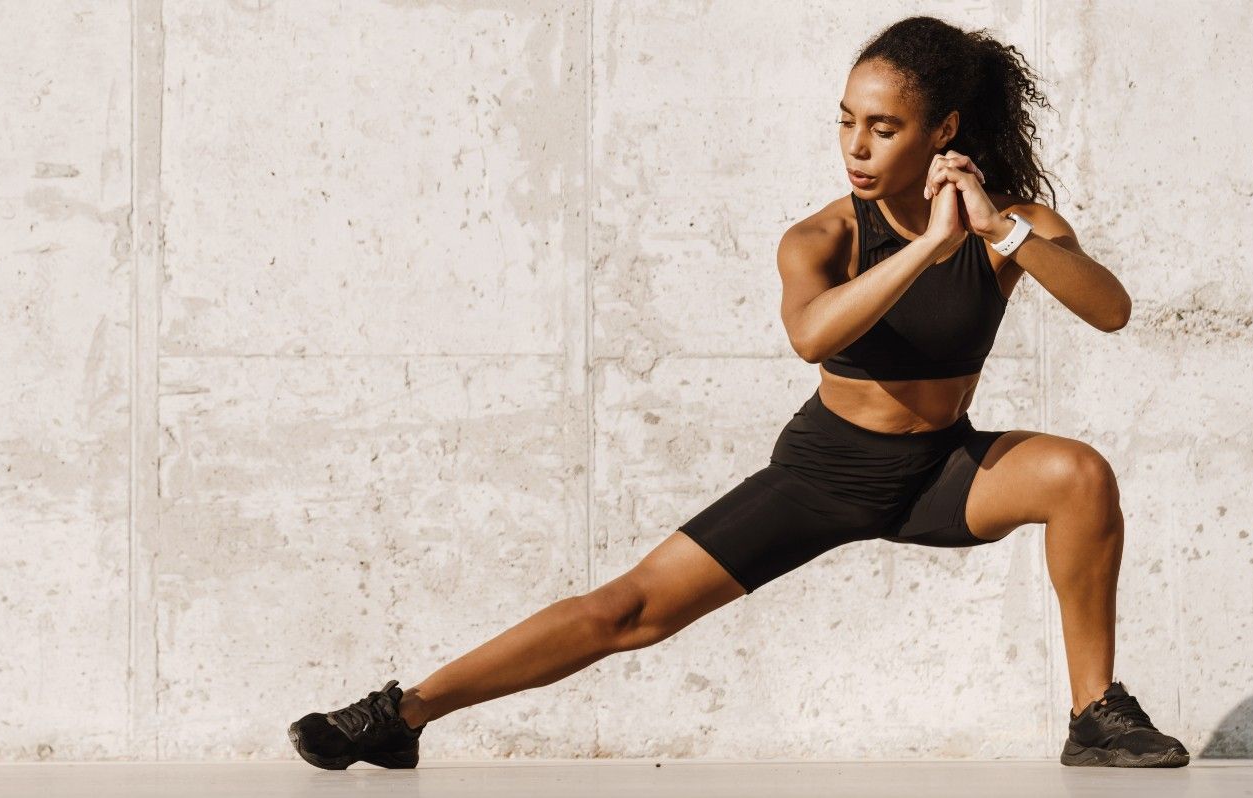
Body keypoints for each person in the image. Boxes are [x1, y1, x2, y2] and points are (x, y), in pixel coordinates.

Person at [289, 15, 1189, 770]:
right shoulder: (821, 235)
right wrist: (925, 247)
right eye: (844, 124)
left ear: (941, 131)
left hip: (940, 470)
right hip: (826, 471)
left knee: (1077, 474)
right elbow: (810, 336)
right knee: (626, 613)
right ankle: (401, 715)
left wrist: (997, 229)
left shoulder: (1010, 228)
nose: (856, 148)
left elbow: (1110, 311)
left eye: (882, 128)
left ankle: (1092, 715)